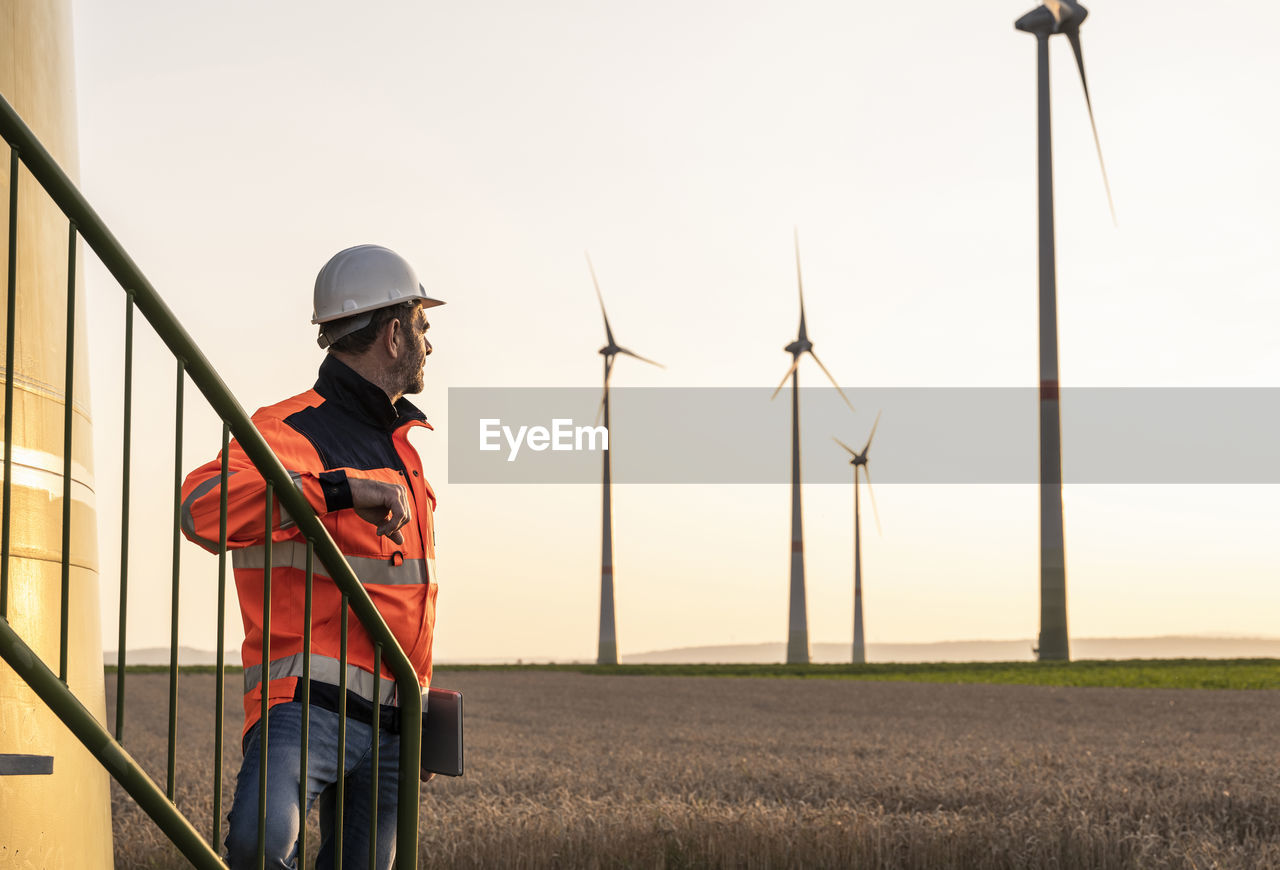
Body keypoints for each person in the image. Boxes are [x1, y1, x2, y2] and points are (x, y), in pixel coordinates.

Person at [180, 244, 444, 869]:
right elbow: (202, 509)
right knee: (256, 847)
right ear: (396, 333)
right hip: (305, 709)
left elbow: (407, 598)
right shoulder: (290, 430)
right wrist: (337, 489)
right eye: (424, 326)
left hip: (391, 727)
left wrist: (422, 707)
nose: (430, 344)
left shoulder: (406, 452)